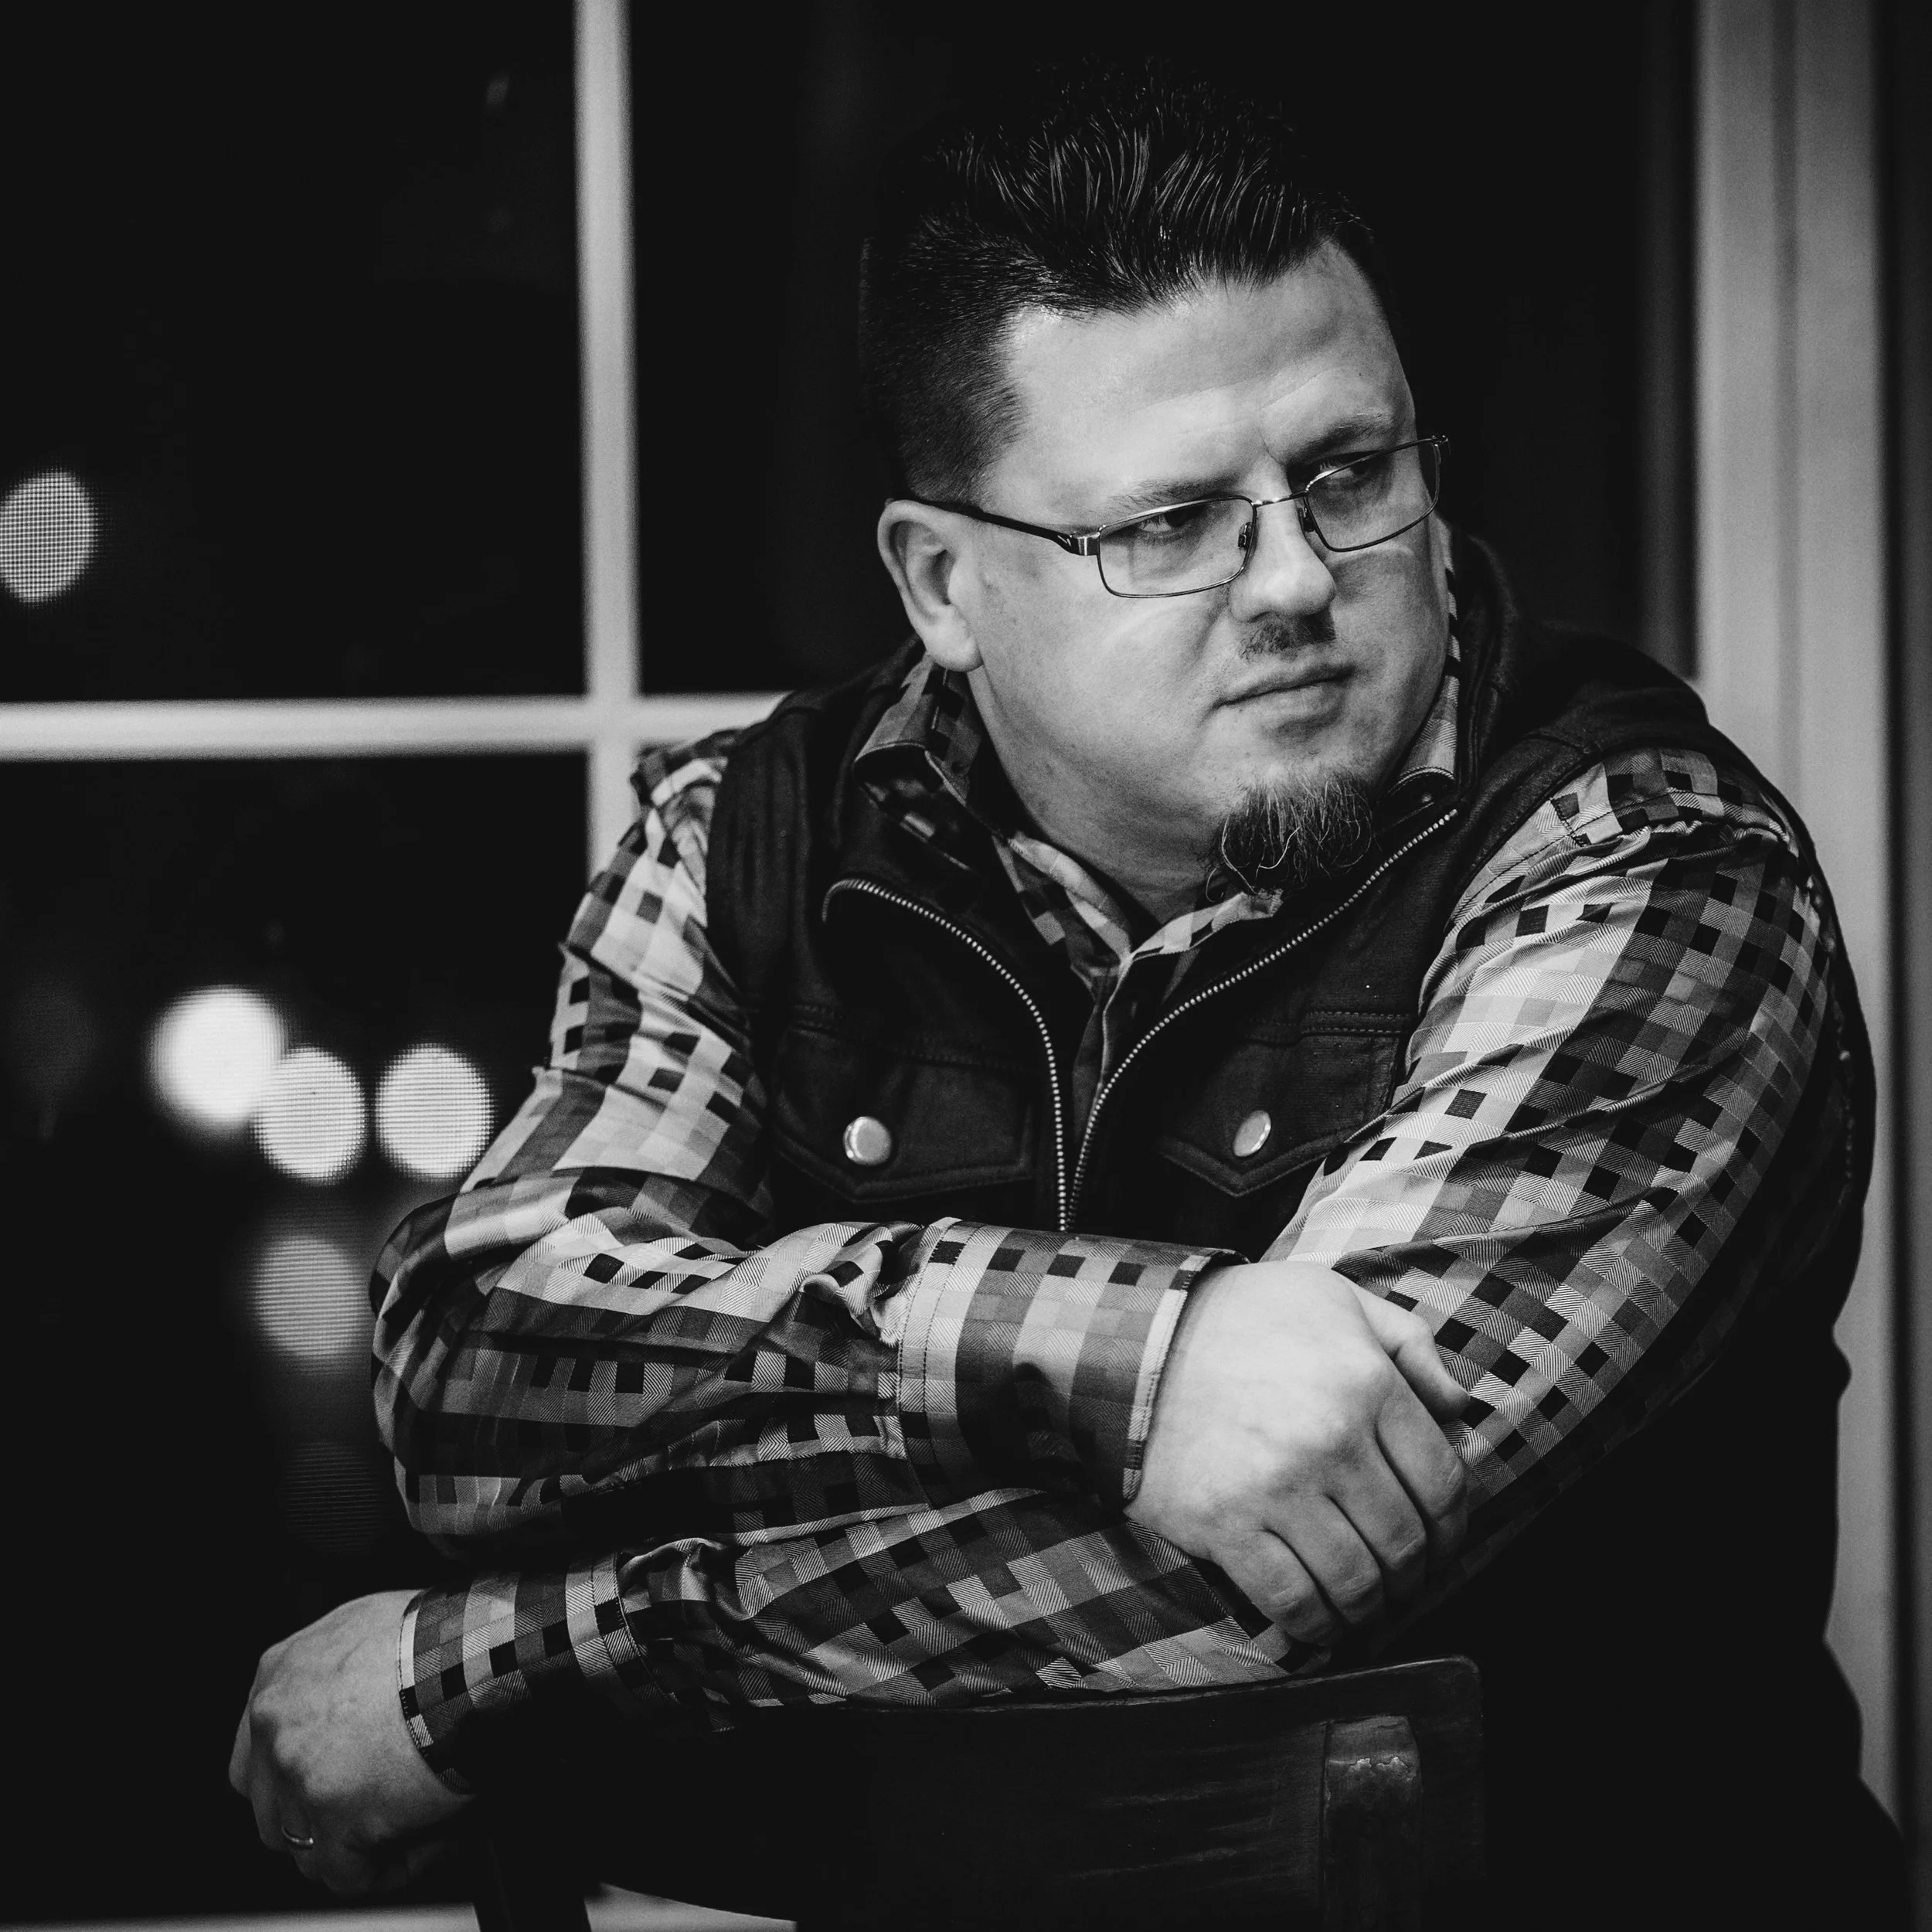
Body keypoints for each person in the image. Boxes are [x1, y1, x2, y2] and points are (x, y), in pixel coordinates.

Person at [230, 60, 1903, 1925]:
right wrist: (1113, 1357)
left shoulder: (1644, 864)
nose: (1291, 579)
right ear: (942, 583)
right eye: (1167, 522)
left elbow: (1258, 1584)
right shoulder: (742, 840)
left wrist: (491, 1678)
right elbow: (482, 1377)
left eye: (1347, 473)